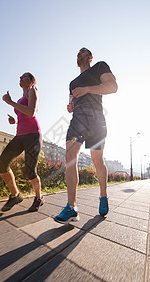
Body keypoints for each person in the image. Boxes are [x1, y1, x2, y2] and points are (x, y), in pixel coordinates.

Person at [54, 47, 118, 224]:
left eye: (82, 52)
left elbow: (112, 87)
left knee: (97, 160)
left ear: (90, 57)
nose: (78, 55)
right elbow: (71, 102)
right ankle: (71, 206)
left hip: (96, 121)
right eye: (77, 53)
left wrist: (88, 89)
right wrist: (70, 107)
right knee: (70, 156)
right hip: (77, 122)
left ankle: (103, 196)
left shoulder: (99, 67)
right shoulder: (72, 82)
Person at [0, 72, 44, 212]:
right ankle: (15, 195)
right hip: (20, 135)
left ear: (31, 81)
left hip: (33, 135)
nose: (20, 78)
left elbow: (31, 113)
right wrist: (15, 121)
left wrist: (10, 102)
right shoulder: (20, 98)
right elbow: (24, 116)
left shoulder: (32, 91)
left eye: (24, 77)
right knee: (2, 163)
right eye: (20, 77)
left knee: (30, 170)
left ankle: (39, 198)